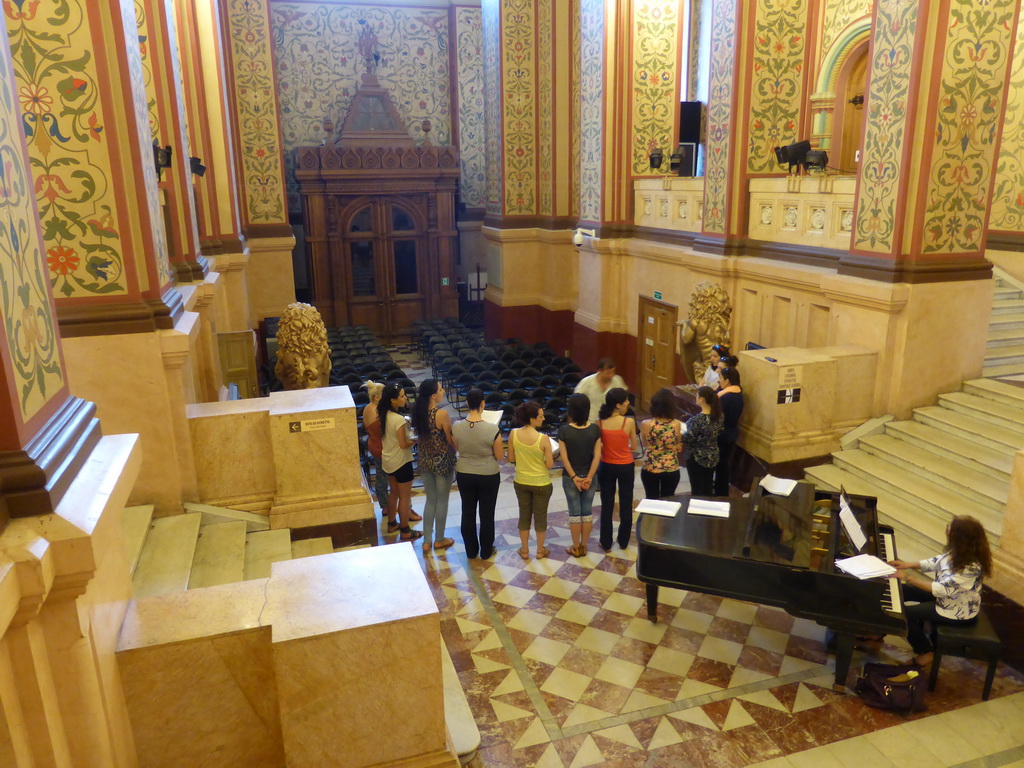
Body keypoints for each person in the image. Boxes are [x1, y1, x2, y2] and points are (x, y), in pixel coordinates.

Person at [889, 516, 992, 667]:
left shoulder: (971, 568)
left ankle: (925, 651)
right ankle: (877, 633)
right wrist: (907, 564)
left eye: (949, 531)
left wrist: (907, 577)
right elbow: (937, 561)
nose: (946, 533)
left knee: (904, 614)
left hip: (955, 609)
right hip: (946, 598)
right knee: (900, 591)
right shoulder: (958, 551)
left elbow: (941, 589)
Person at [452, 388, 504, 559]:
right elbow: (499, 456)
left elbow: (458, 448)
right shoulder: (492, 429)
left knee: (467, 511)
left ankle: (470, 551)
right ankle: (486, 550)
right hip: (488, 474)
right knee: (487, 513)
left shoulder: (457, 427)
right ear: (483, 404)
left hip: (465, 473)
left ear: (467, 403)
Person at [410, 379, 456, 553]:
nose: (443, 391)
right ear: (433, 395)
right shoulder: (441, 414)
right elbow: (450, 439)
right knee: (442, 501)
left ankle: (427, 541)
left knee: (431, 500)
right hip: (442, 461)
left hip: (425, 460)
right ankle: (439, 539)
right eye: (440, 389)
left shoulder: (417, 411)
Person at [508, 401, 554, 559]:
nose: (543, 418)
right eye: (540, 416)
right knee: (541, 517)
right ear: (532, 419)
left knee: (524, 515)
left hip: (521, 481)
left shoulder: (513, 434)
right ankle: (540, 551)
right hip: (541, 482)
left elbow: (511, 458)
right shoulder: (543, 438)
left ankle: (525, 550)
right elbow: (549, 465)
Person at [558, 393, 602, 557]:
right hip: (590, 476)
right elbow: (597, 456)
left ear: (571, 410)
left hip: (570, 478)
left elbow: (564, 458)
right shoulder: (595, 429)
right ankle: (584, 546)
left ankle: (575, 547)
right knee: (587, 512)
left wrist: (575, 477)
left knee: (574, 513)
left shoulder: (564, 430)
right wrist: (589, 477)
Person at [378, 382, 423, 541]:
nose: (405, 398)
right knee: (405, 497)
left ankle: (391, 523)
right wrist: (416, 440)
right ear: (392, 400)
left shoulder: (383, 415)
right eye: (402, 396)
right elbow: (404, 444)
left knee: (394, 492)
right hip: (401, 462)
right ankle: (405, 530)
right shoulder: (398, 419)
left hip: (388, 460)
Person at [597, 387, 638, 551]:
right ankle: (623, 541)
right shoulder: (628, 422)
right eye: (626, 400)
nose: (629, 402)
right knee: (626, 503)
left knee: (606, 504)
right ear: (618, 405)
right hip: (625, 466)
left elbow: (599, 447)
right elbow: (634, 446)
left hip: (606, 465)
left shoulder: (599, 422)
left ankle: (606, 542)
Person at [640, 388, 683, 500]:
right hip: (671, 468)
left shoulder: (646, 424)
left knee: (651, 499)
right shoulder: (676, 424)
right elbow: (677, 444)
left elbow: (645, 444)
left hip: (651, 467)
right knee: (668, 500)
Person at [682, 385, 722, 497]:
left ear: (702, 399)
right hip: (713, 455)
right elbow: (720, 432)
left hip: (697, 458)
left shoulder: (696, 420)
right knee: (708, 487)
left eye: (697, 395)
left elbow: (688, 438)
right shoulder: (720, 417)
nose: (696, 397)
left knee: (697, 489)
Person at [361, 380, 390, 521]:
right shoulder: (374, 410)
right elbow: (382, 431)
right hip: (380, 447)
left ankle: (385, 504)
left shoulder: (368, 407)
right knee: (382, 477)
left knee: (381, 475)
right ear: (377, 397)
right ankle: (385, 505)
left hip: (375, 445)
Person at [714, 367, 744, 497]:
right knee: (724, 464)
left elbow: (716, 417)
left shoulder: (725, 398)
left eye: (720, 378)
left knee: (721, 466)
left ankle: (720, 492)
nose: (719, 380)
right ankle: (721, 490)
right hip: (732, 432)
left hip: (723, 435)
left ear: (727, 380)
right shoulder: (739, 394)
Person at [575, 357, 628, 423]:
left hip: (611, 422)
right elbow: (575, 402)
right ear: (600, 371)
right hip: (590, 421)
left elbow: (624, 400)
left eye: (613, 372)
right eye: (608, 373)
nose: (611, 375)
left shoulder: (617, 381)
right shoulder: (586, 382)